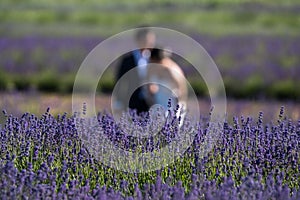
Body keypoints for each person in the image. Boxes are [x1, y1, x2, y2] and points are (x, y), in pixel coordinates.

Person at [114, 27, 156, 114]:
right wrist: (118, 103)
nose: (151, 43)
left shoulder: (154, 58)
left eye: (152, 40)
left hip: (153, 101)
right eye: (148, 40)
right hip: (132, 101)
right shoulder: (127, 60)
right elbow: (119, 82)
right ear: (138, 40)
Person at [146, 47, 187, 122]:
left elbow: (182, 89)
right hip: (158, 102)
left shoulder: (171, 70)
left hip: (172, 104)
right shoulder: (152, 68)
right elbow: (150, 83)